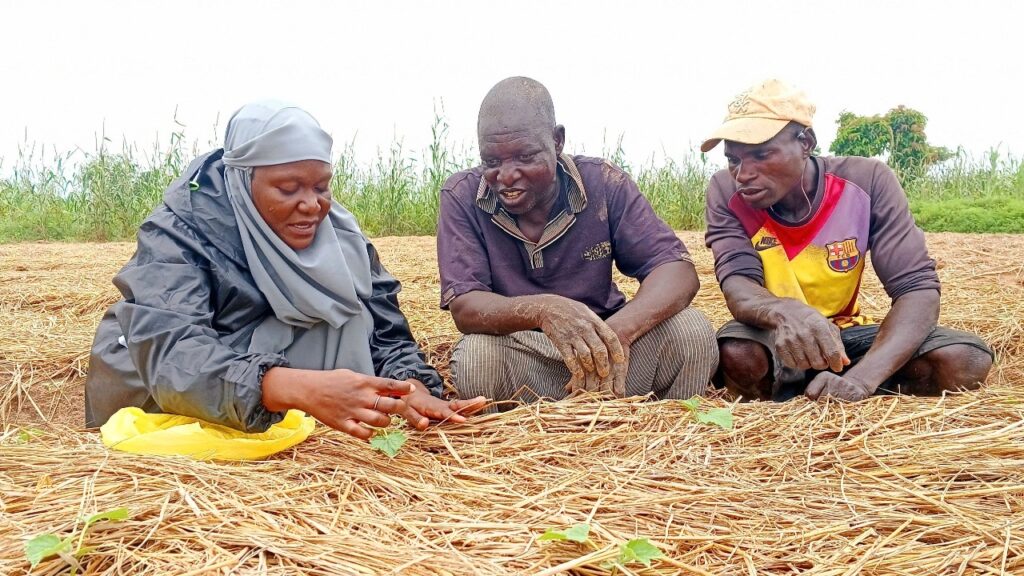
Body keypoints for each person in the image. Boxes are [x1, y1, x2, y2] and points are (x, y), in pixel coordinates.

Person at [85, 101, 485, 439]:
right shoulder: (181, 233)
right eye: (288, 189)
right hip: (159, 390)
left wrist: (410, 390)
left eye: (321, 187)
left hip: (265, 367)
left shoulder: (341, 239)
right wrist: (298, 388)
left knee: (346, 311)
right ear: (243, 181)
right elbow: (174, 356)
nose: (312, 205)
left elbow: (384, 333)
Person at [702, 79, 993, 402]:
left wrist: (862, 379)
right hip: (771, 333)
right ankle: (790, 400)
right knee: (739, 353)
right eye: (734, 160)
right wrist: (787, 313)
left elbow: (917, 290)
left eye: (761, 154)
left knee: (964, 359)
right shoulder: (727, 192)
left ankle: (835, 389)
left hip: (847, 333)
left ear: (806, 142)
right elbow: (738, 285)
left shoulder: (867, 182)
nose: (743, 174)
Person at [437, 77, 718, 409]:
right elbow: (466, 307)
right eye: (492, 162)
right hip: (530, 357)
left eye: (525, 157)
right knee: (476, 358)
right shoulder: (462, 195)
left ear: (557, 142)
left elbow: (677, 271)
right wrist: (546, 311)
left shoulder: (603, 182)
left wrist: (615, 336)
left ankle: (661, 438)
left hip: (615, 359)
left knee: (693, 334)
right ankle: (522, 441)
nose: (507, 176)